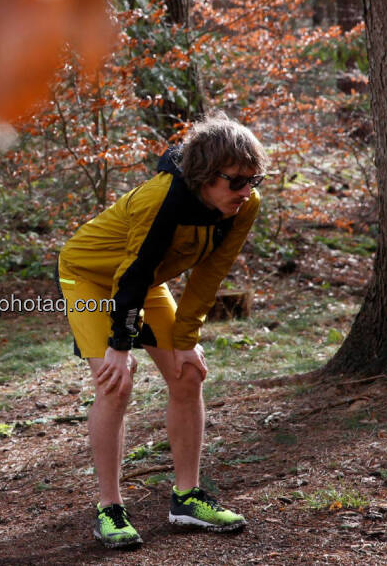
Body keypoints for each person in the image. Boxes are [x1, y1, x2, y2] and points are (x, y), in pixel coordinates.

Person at [57, 114, 268, 548]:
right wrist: (119, 344)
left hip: (144, 282)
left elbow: (210, 275)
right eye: (236, 182)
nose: (246, 191)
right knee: (117, 382)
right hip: (90, 277)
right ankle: (110, 509)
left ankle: (187, 498)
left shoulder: (243, 206)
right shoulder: (161, 199)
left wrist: (187, 340)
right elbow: (130, 274)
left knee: (189, 372)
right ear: (207, 176)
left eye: (255, 180)